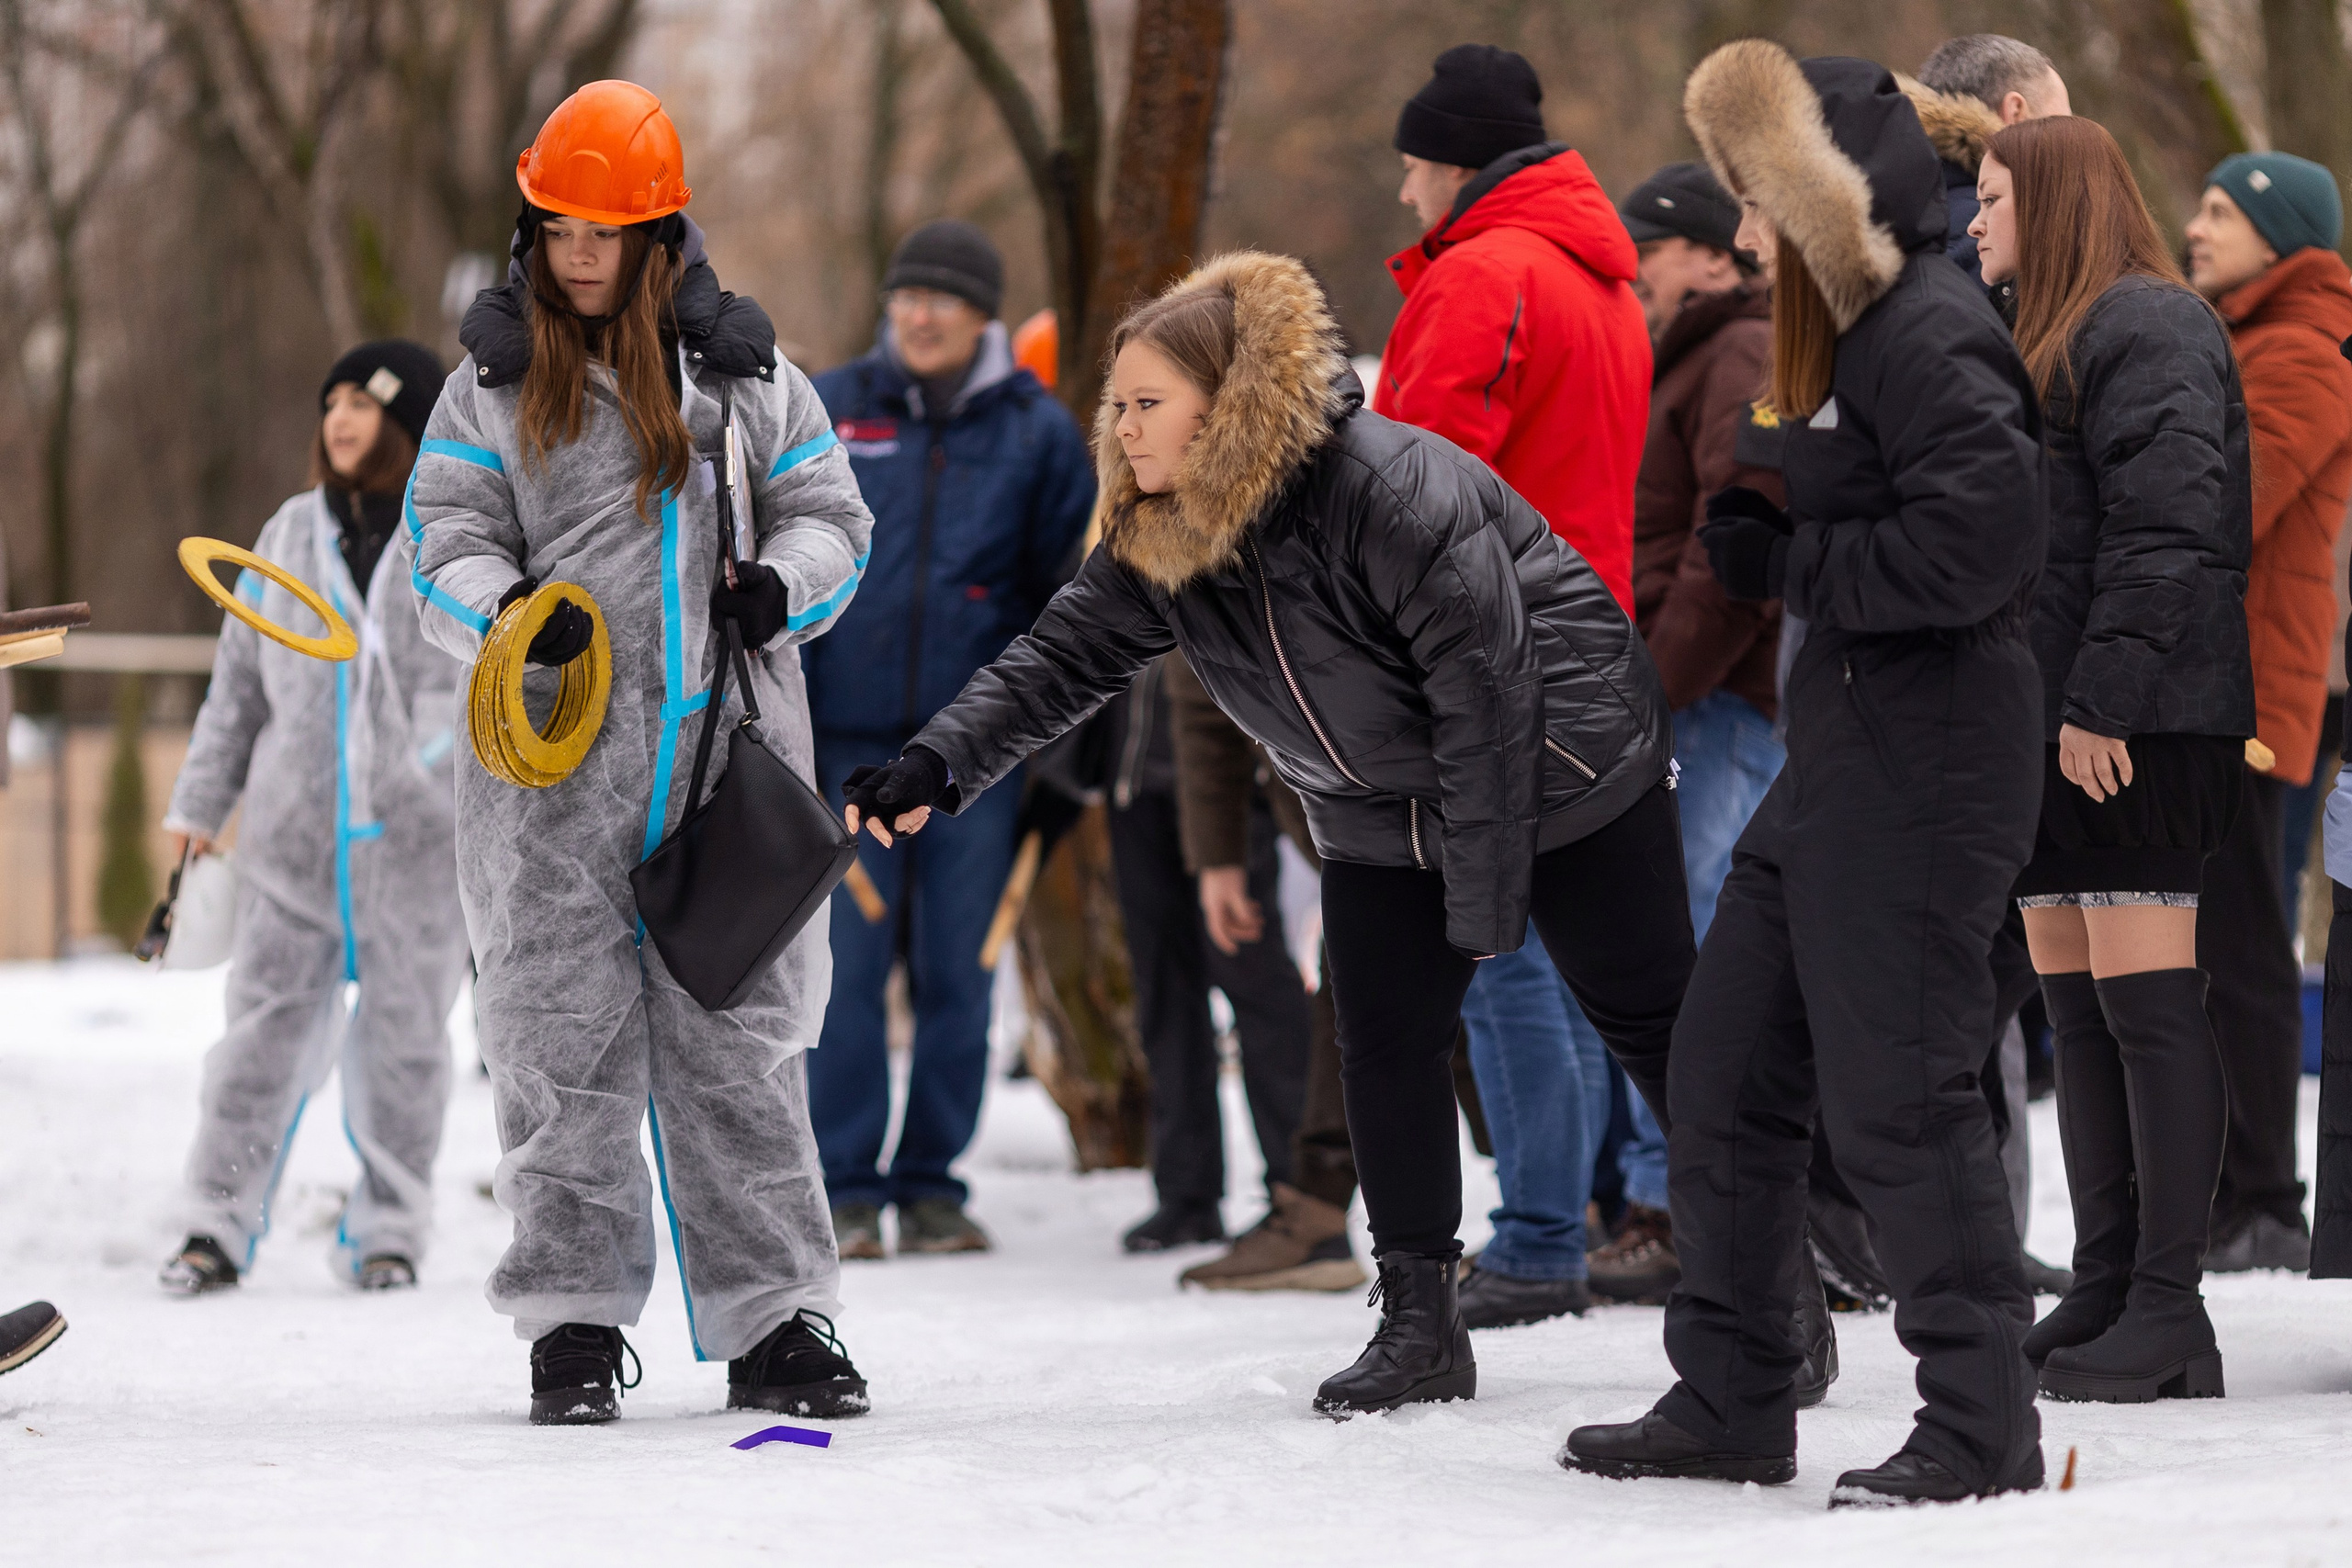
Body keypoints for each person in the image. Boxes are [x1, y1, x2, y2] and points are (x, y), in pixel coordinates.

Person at [836, 249, 1693, 1417]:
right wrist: (936, 762)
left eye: (1147, 405)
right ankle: (1420, 1321)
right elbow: (1058, 659)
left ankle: (1770, 1286)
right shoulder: (1164, 534)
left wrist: (1485, 914)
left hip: (1568, 774)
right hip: (1376, 810)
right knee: (1385, 1048)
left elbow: (1488, 692)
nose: (1123, 428)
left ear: (1222, 405)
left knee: (1655, 1029)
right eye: (1116, 406)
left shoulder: (1382, 487)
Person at [1566, 47, 2046, 1506]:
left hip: (1934, 758)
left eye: (1762, 200)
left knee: (1901, 1100)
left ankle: (1980, 1420)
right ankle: (1731, 1390)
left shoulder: (1929, 326)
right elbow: (1827, 478)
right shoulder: (1835, 327)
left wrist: (1801, 561)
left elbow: (1989, 543)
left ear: (1825, 192)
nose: (1748, 233)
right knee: (1721, 1073)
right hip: (1836, 748)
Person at [403, 81, 874, 1425]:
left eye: (605, 230)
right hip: (549, 783)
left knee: (745, 1051)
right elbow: (441, 543)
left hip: (729, 769)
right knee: (557, 1054)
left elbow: (835, 514)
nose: (581, 254)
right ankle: (571, 1324)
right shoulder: (486, 389)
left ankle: (779, 1318)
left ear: (661, 229)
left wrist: (785, 582)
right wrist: (508, 615)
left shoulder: (747, 374)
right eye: (558, 228)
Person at [1376, 43, 1657, 1329]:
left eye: (1415, 169)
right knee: (1585, 961)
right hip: (1590, 637)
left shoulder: (1484, 275)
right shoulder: (1599, 278)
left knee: (1502, 957)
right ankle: (1579, 1213)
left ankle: (1540, 1233)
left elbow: (1413, 495)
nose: (1402, 197)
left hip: (1493, 657)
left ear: (1459, 165)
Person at [1974, 115, 2250, 1402]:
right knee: (2077, 1013)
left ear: (2056, 202)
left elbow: (2175, 525)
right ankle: (2103, 1279)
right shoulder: (2043, 332)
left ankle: (2170, 1309)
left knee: (2144, 1010)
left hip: (2134, 723)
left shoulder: (2149, 323)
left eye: (1990, 199)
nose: (1974, 221)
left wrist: (2103, 703)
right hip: (2054, 722)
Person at [803, 220, 1093, 1259]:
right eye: (907, 295)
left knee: (958, 973)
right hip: (841, 746)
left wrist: (1059, 761)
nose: (920, 315)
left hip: (978, 760)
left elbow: (1072, 601)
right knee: (839, 969)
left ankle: (930, 1183)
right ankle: (839, 1182)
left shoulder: (1035, 431)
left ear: (983, 315)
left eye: (944, 298)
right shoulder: (831, 409)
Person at [157, 338, 469, 1298]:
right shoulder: (286, 535)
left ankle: (389, 1229)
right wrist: (200, 808)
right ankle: (214, 1224)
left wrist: (434, 766)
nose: (339, 418)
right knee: (257, 1039)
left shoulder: (456, 534)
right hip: (293, 847)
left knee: (409, 1044)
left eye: (365, 403)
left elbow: (486, 682)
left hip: (418, 847)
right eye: (330, 401)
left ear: (411, 422)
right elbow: (236, 694)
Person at [1591, 161, 1784, 1307]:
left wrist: (1655, 688)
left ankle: (1678, 1205)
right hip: (1676, 695)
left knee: (1695, 952)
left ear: (1712, 256)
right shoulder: (1687, 356)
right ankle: (1646, 1195)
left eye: (1647, 247)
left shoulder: (1739, 355)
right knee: (1658, 944)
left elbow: (1732, 549)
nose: (1631, 268)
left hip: (1711, 702)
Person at [2184, 152, 2352, 1273]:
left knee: (2243, 932)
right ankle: (2238, 1188)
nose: (2193, 227)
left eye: (2216, 211)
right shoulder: (2245, 334)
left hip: (2253, 679)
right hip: (2219, 670)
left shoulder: (2300, 346)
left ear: (2277, 232)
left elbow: (2225, 502)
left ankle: (2259, 1197)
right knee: (2220, 924)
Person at [1164, 652, 1363, 1291]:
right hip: (1343, 821)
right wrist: (1218, 857)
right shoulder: (1184, 562)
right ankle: (1315, 1208)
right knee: (1364, 989)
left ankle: (1567, 1212)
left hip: (1439, 784)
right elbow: (1201, 697)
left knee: (1489, 1001)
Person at [1105, 652, 1310, 1252]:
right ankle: (1186, 1194)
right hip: (1134, 784)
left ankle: (1299, 1190)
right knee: (1165, 992)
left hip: (1227, 790)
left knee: (1257, 983)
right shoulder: (1104, 556)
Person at [1913, 34, 2071, 280]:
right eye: (2063, 122)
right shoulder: (2002, 238)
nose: (2075, 142)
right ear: (2016, 113)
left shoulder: (1904, 208)